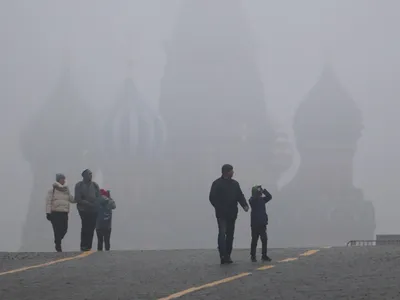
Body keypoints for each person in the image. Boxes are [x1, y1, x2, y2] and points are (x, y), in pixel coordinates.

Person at [209, 164, 249, 264]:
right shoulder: (217, 183)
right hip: (221, 214)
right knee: (222, 233)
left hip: (232, 213)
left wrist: (244, 205)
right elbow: (212, 198)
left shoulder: (235, 184)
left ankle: (228, 255)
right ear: (226, 172)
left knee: (230, 235)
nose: (233, 173)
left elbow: (240, 195)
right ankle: (223, 255)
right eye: (231, 171)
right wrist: (219, 207)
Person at [45, 173, 75, 252]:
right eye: (62, 179)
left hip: (64, 213)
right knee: (57, 230)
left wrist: (79, 198)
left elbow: (71, 199)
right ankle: (58, 244)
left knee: (64, 229)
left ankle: (57, 240)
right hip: (55, 213)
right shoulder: (52, 190)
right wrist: (48, 213)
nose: (63, 180)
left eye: (64, 179)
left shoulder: (66, 190)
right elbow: (48, 202)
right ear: (58, 179)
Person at [74, 169, 100, 251]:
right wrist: (88, 203)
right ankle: (83, 245)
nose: (90, 176)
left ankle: (89, 246)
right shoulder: (79, 185)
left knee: (92, 227)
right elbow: (78, 198)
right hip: (83, 210)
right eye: (89, 174)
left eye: (91, 174)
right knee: (85, 226)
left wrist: (96, 204)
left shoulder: (95, 185)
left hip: (94, 210)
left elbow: (98, 196)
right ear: (84, 176)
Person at [249, 185, 272, 262]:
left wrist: (263, 191)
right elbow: (253, 199)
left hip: (262, 223)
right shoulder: (252, 200)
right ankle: (253, 256)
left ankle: (264, 255)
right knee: (254, 240)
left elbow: (269, 196)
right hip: (255, 224)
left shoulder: (262, 200)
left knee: (264, 239)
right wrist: (257, 192)